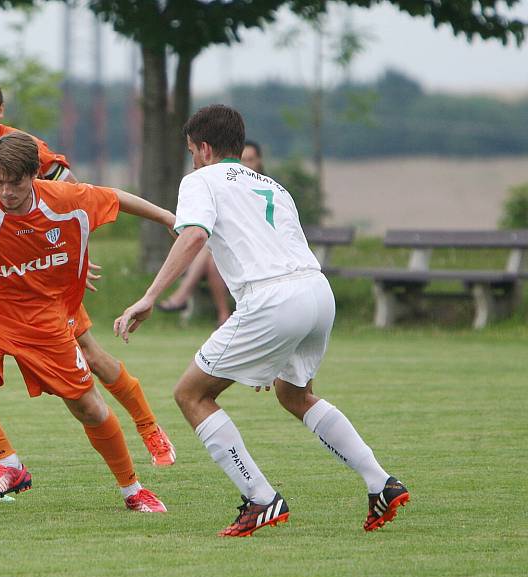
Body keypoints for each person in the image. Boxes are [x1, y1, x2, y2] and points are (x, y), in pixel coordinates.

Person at [115, 105, 409, 535]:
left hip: (272, 299)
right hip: (315, 291)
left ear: (205, 148)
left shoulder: (200, 179)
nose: (192, 158)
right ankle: (380, 482)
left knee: (191, 395)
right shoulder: (272, 185)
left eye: (192, 150)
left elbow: (193, 233)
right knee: (295, 395)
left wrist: (149, 297)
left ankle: (261, 498)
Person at [0, 69, 176, 469]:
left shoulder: (24, 147)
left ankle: (148, 427)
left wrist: (72, 251)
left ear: (1, 109)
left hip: (43, 281)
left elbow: (77, 195)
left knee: (92, 356)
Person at [155, 140, 264, 325]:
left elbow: (197, 235)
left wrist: (150, 295)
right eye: (243, 159)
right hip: (231, 252)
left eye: (250, 160)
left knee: (205, 243)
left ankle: (186, 297)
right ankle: (223, 315)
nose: (245, 165)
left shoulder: (259, 187)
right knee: (211, 252)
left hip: (255, 253)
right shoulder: (271, 188)